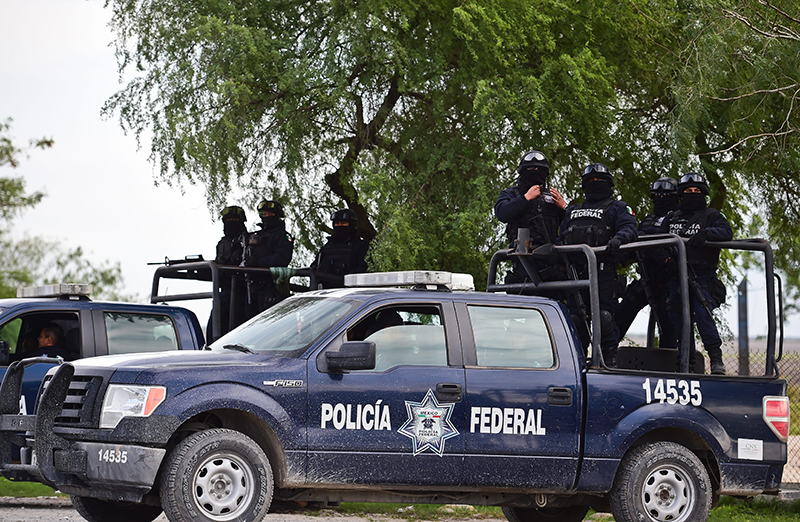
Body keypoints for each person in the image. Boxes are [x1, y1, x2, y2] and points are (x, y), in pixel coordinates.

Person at [557, 163, 638, 365]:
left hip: (603, 272)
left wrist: (618, 240)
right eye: (591, 181)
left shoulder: (618, 208)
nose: (595, 184)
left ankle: (609, 361)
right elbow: (560, 237)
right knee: (576, 319)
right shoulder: (573, 210)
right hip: (575, 274)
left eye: (599, 181)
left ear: (609, 184)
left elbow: (630, 229)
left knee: (604, 317)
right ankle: (578, 361)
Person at [661, 172, 732, 374]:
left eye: (697, 191)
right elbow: (657, 243)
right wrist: (667, 260)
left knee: (703, 314)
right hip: (676, 276)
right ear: (681, 194)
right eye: (688, 191)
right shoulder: (671, 218)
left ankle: (716, 360)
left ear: (704, 193)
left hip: (701, 275)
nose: (692, 193)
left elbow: (727, 232)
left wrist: (708, 233)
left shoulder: (713, 216)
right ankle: (687, 362)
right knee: (678, 319)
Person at [615, 177, 679, 347]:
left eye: (666, 196)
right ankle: (607, 353)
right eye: (657, 196)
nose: (660, 199)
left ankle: (672, 362)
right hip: (646, 277)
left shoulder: (678, 220)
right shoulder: (648, 219)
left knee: (668, 324)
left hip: (667, 279)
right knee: (621, 314)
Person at [495, 150, 567, 283]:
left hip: (551, 257)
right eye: (530, 170)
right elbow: (502, 213)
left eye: (539, 170)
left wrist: (564, 207)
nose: (535, 173)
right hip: (524, 258)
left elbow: (569, 225)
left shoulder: (551, 196)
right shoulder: (511, 194)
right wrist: (525, 198)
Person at [241, 199, 294, 318]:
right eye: (264, 214)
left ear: (277, 215)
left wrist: (258, 263)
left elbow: (282, 258)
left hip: (270, 287)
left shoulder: (282, 236)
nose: (266, 216)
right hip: (251, 287)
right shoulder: (254, 236)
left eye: (269, 214)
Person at [207, 206, 250, 341]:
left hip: (242, 292)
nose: (231, 222)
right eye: (228, 220)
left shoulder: (247, 241)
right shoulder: (222, 243)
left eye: (234, 219)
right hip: (225, 291)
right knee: (214, 330)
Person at [310, 208, 370, 288]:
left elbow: (363, 271)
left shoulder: (361, 246)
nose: (339, 226)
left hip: (349, 293)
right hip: (325, 292)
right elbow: (315, 267)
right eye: (337, 223)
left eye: (343, 223)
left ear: (352, 225)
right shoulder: (327, 247)